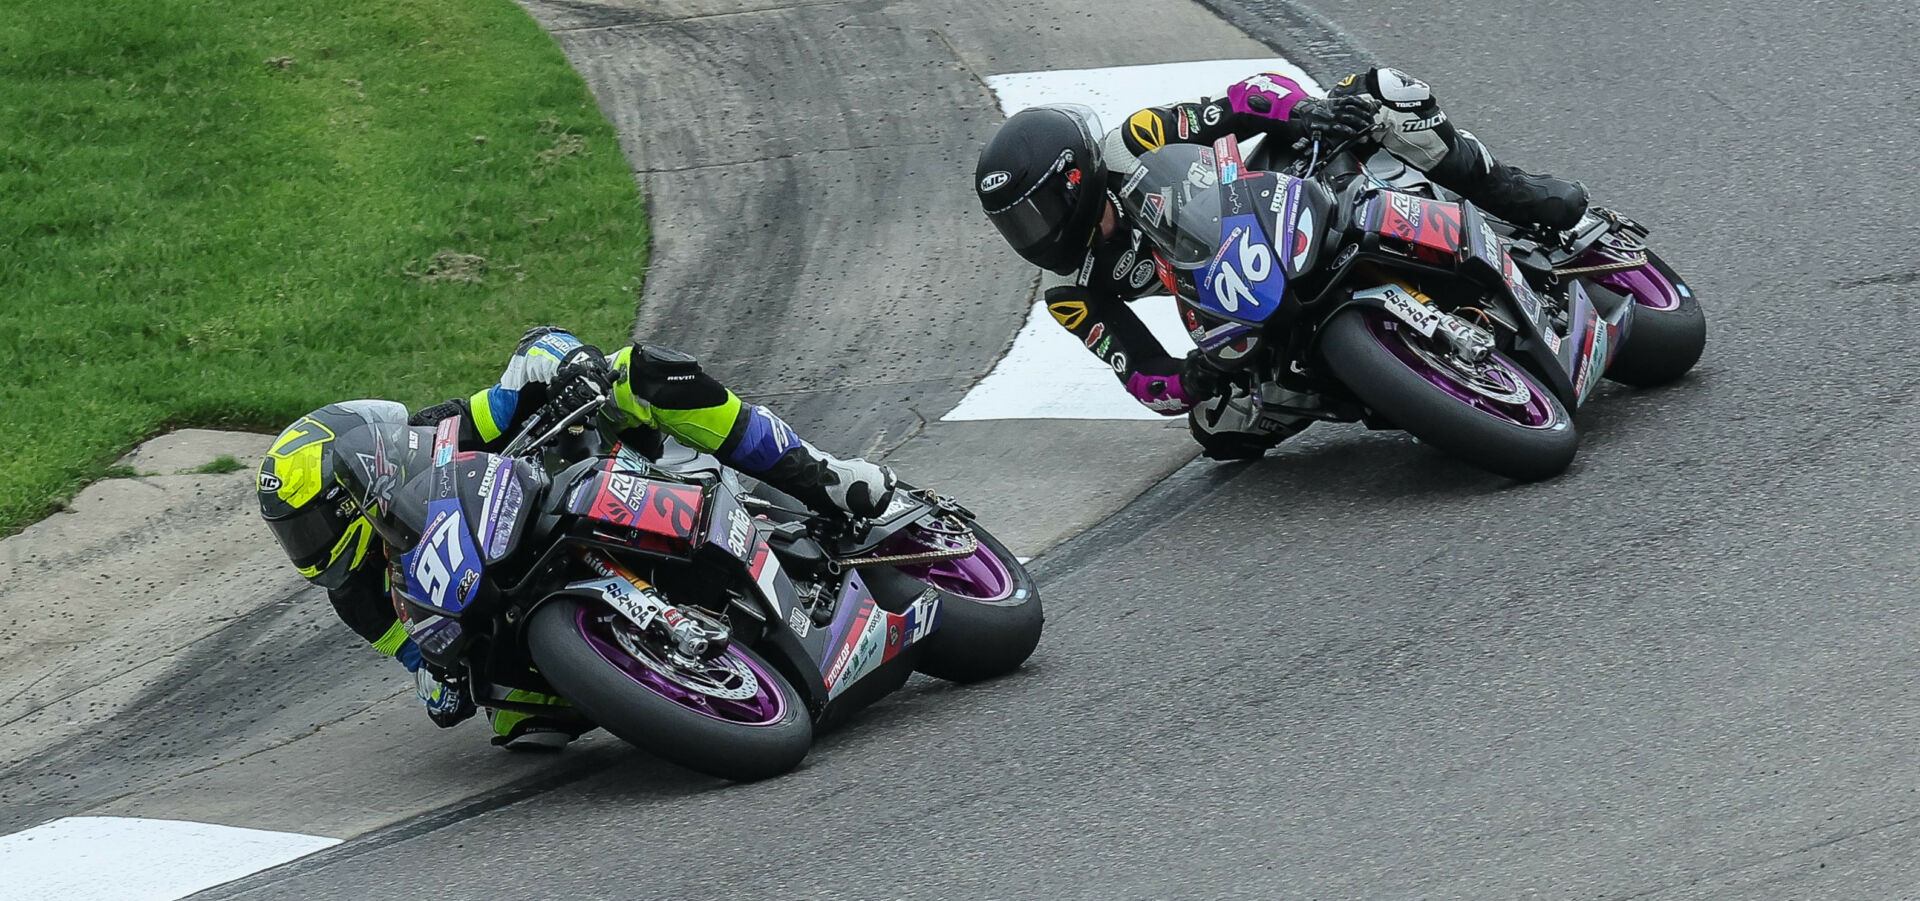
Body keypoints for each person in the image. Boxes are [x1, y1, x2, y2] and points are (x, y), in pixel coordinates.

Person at [255, 327, 896, 749]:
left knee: (634, 374)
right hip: (514, 600)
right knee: (521, 725)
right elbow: (424, 667)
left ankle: (827, 478)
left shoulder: (434, 437)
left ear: (359, 484)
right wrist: (441, 678)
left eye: (312, 525)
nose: (309, 549)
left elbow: (515, 384)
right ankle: (658, 673)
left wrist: (566, 361)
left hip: (585, 481)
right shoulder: (358, 598)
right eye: (294, 536)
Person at [973, 67, 1589, 459]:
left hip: (1277, 190)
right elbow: (1137, 372)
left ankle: (1509, 192)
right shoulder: (1070, 293)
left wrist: (1301, 111)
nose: (1033, 234)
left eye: (1035, 212)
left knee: (1380, 94)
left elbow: (1243, 99)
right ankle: (1381, 384)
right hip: (1226, 285)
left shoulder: (1131, 139)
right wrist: (1187, 381)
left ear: (1074, 179)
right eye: (1015, 226)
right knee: (1218, 427)